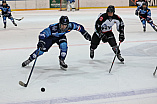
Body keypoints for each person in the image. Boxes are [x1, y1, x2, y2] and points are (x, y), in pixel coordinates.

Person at [22, 16, 91, 69]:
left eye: (65, 25)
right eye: (62, 25)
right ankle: (29, 59)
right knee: (41, 51)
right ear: (59, 23)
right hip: (50, 38)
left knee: (64, 46)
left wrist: (85, 33)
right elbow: (43, 33)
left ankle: (62, 60)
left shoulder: (71, 25)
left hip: (60, 37)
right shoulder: (53, 28)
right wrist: (41, 41)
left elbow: (80, 27)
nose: (64, 27)